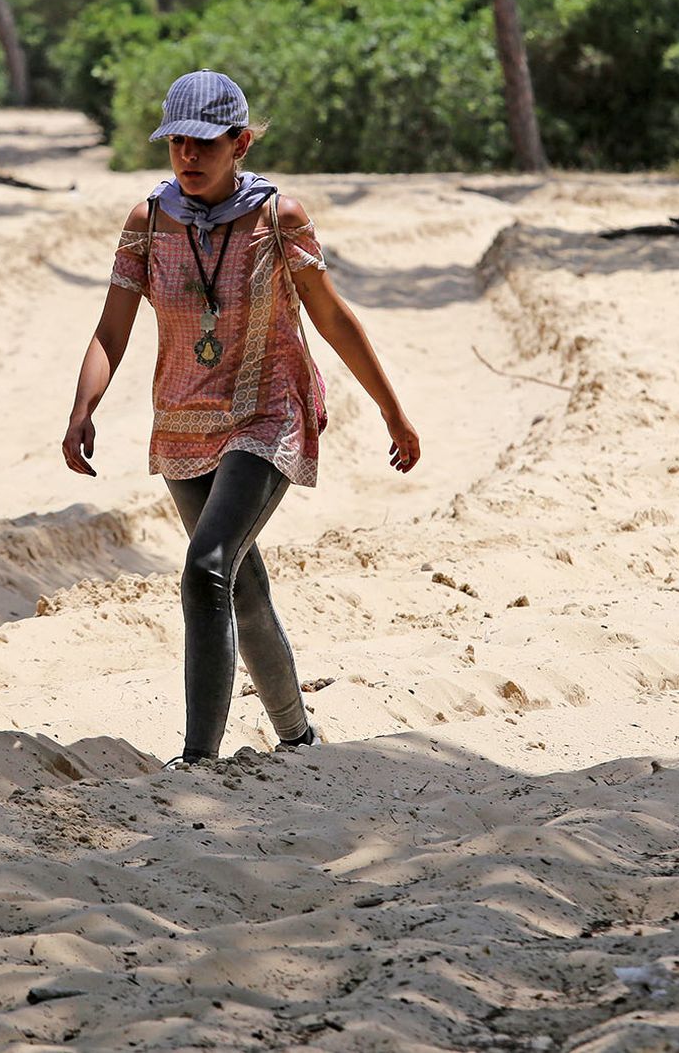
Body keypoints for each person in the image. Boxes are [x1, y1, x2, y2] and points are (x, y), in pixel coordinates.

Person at [61, 69, 420, 764]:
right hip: (183, 416)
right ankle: (300, 738)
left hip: (269, 408)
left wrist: (391, 411)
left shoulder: (279, 218)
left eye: (204, 144)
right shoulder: (149, 221)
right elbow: (111, 329)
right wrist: (83, 409)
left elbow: (332, 317)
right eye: (176, 145)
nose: (188, 158)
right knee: (239, 580)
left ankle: (198, 761)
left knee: (207, 566)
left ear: (241, 142)